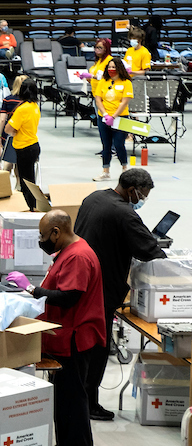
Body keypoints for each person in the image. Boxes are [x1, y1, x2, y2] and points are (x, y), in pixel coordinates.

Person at [72, 169, 164, 421]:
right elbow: (150, 250)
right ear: (133, 189)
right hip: (101, 289)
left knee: (85, 347)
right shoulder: (125, 214)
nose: (143, 199)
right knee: (98, 348)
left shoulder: (94, 198)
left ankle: (84, 399)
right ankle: (89, 403)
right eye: (143, 194)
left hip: (80, 281)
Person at [18, 211, 104, 446]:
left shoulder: (78, 255)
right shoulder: (68, 252)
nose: (43, 242)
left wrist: (33, 291)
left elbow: (69, 297)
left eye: (44, 237)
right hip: (63, 337)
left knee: (74, 401)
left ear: (56, 232)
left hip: (76, 339)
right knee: (63, 400)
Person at [93, 57, 133, 182]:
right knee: (106, 145)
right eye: (109, 67)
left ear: (119, 68)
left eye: (114, 67)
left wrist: (114, 116)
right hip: (104, 118)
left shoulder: (126, 83)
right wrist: (105, 114)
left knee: (119, 144)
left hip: (120, 117)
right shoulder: (103, 82)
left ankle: (125, 169)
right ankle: (105, 172)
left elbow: (124, 102)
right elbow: (98, 99)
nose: (111, 69)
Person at [4, 78, 41, 206]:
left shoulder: (22, 109)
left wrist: (14, 131)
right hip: (33, 144)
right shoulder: (35, 106)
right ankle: (33, 204)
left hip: (24, 147)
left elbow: (8, 128)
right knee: (30, 179)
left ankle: (30, 206)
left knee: (25, 181)